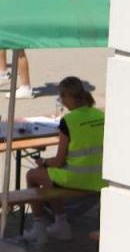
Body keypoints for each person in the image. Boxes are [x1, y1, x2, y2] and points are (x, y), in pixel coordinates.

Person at [24, 76, 104, 242]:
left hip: (78, 177)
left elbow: (59, 161)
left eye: (62, 97)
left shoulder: (69, 120)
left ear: (68, 96)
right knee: (50, 176)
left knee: (32, 175)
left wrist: (44, 162)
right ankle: (58, 220)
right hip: (101, 178)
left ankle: (52, 223)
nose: (61, 101)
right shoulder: (101, 115)